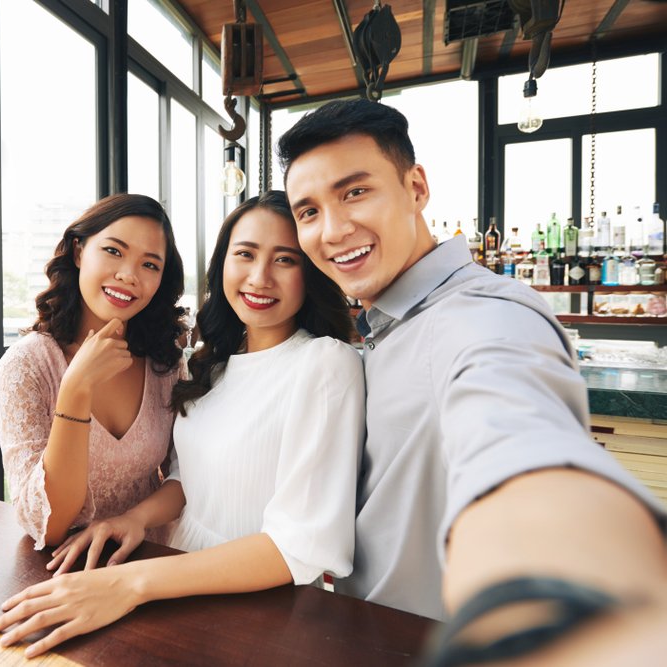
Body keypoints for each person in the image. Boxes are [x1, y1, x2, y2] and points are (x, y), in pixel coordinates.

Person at [279, 98, 667, 663]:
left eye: (355, 192)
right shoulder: (386, 322)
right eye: (308, 211)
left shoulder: (481, 315)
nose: (333, 230)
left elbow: (517, 438)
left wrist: (558, 599)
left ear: (416, 188)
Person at [0, 191, 364, 658]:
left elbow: (302, 544)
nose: (259, 277)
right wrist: (134, 519)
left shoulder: (324, 363)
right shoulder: (213, 366)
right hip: (163, 577)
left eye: (285, 260)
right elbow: (190, 476)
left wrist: (128, 584)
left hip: (241, 603)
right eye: (244, 254)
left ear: (309, 272)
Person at [0, 193, 185, 550]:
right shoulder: (28, 364)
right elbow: (46, 526)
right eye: (114, 251)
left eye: (150, 265)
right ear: (79, 252)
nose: (128, 275)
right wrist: (75, 388)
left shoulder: (166, 365)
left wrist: (134, 520)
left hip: (150, 560)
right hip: (58, 571)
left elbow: (186, 476)